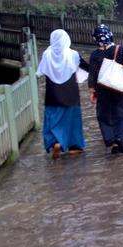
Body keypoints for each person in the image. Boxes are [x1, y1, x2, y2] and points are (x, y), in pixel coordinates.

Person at [37, 29, 87, 158]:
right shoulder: (73, 54)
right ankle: (74, 147)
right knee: (72, 119)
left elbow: (39, 72)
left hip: (52, 93)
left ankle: (55, 142)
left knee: (52, 117)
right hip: (71, 93)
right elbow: (86, 67)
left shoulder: (47, 54)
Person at [87, 24, 123, 155]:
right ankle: (120, 138)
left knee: (104, 115)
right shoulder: (121, 50)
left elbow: (93, 74)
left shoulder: (95, 54)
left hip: (102, 90)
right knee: (122, 114)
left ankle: (111, 140)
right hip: (120, 89)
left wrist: (92, 91)